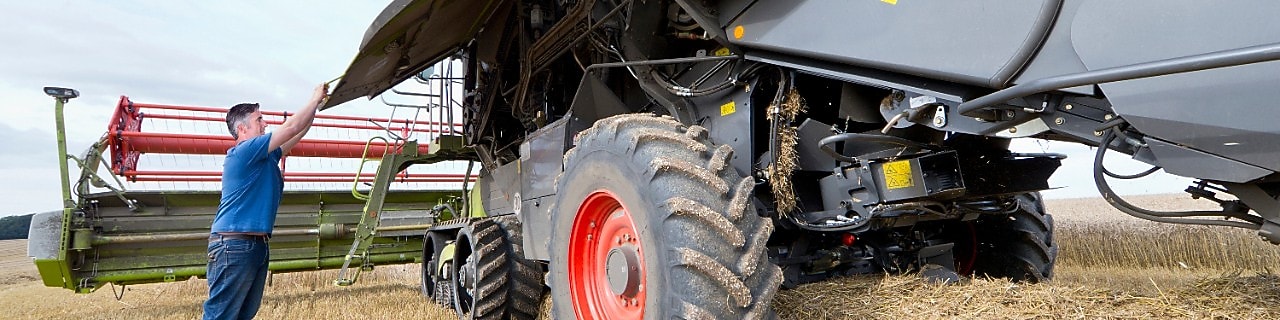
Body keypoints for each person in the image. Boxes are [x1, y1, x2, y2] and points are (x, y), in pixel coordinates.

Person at [203, 83, 328, 320]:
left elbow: (297, 131)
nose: (265, 124)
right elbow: (291, 126)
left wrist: (316, 108)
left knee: (241, 315)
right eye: (259, 120)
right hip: (235, 246)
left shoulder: (266, 155)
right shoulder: (245, 151)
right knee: (221, 316)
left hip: (253, 245)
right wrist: (313, 99)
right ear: (242, 128)